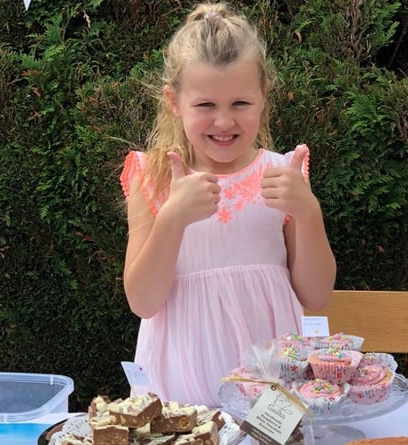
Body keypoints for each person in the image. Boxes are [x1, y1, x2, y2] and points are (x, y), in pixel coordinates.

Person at [119, 2, 336, 407]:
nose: (223, 122)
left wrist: (308, 212)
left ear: (263, 96)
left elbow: (316, 293)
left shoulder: (282, 172)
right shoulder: (153, 176)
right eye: (205, 106)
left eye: (240, 103)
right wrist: (171, 220)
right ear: (173, 101)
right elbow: (143, 301)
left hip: (271, 396)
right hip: (178, 397)